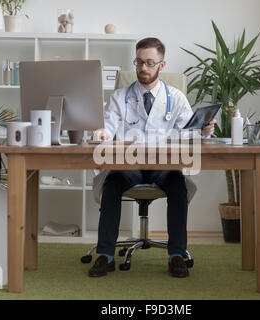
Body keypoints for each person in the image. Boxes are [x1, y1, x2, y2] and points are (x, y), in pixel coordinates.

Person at [89, 37, 216, 278]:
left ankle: (176, 255)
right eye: (139, 62)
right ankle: (105, 256)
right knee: (113, 183)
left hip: (163, 166)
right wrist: (103, 131)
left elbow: (191, 131)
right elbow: (106, 126)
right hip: (130, 164)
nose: (143, 68)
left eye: (149, 63)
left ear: (162, 65)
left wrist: (203, 130)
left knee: (178, 186)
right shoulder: (120, 97)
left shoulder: (175, 98)